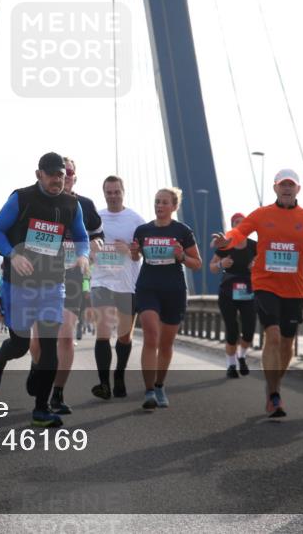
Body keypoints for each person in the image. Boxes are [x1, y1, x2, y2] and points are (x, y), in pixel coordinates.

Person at [212, 170, 303, 417]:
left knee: (288, 342)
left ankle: (274, 386)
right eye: (282, 185)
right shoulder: (262, 214)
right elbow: (240, 232)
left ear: (298, 189)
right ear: (275, 188)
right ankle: (273, 394)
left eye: (291, 185)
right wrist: (225, 241)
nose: (287, 189)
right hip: (265, 284)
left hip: (295, 288)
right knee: (274, 335)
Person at [0, 152, 90, 428]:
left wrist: (82, 255)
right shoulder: (21, 198)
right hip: (18, 282)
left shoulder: (71, 204)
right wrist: (12, 255)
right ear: (39, 174)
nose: (57, 180)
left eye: (61, 175)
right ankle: (0, 358)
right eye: (52, 174)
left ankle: (41, 409)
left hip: (52, 282)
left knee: (48, 344)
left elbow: (81, 236)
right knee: (20, 344)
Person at [39, 157, 103, 414]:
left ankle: (57, 393)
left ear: (75, 176)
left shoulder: (84, 205)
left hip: (73, 277)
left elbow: (98, 234)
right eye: (58, 173)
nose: (64, 177)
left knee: (65, 336)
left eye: (69, 173)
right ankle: (40, 373)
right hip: (41, 277)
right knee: (40, 343)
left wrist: (95, 245)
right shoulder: (37, 200)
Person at [131, 188, 203, 409]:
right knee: (151, 335)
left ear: (174, 206)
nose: (159, 206)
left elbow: (197, 263)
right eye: (156, 202)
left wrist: (180, 256)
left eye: (164, 202)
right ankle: (149, 391)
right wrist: (134, 251)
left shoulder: (182, 230)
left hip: (173, 290)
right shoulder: (143, 230)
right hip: (148, 287)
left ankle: (160, 385)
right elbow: (136, 256)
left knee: (165, 343)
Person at [89, 175, 144, 400]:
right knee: (103, 332)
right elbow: (86, 246)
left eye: (116, 192)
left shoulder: (136, 220)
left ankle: (119, 375)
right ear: (104, 193)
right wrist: (93, 252)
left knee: (123, 337)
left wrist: (130, 251)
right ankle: (104, 384)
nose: (113, 196)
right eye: (109, 192)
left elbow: (142, 253)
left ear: (123, 191)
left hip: (127, 284)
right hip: (101, 281)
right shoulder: (96, 218)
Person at [209, 212, 257, 378]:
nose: (239, 225)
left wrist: (256, 266)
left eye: (242, 222)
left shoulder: (254, 245)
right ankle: (231, 365)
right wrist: (222, 263)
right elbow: (212, 267)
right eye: (236, 222)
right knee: (232, 330)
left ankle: (242, 356)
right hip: (228, 291)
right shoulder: (226, 245)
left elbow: (265, 266)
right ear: (232, 226)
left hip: (248, 291)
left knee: (249, 330)